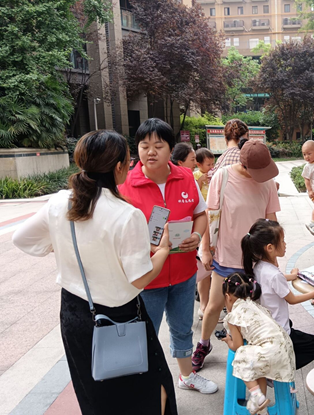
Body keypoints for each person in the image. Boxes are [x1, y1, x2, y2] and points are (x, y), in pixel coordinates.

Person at [12, 130, 178, 414]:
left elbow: (22, 239)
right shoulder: (126, 214)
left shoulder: (60, 202)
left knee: (95, 394)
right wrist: (163, 250)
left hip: (75, 313)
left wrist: (63, 247)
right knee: (151, 387)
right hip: (122, 316)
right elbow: (140, 278)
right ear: (118, 167)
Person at [119, 118, 218, 394]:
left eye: (158, 145)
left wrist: (197, 236)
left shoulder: (185, 177)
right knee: (144, 333)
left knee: (182, 328)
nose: (151, 152)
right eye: (144, 145)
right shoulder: (125, 184)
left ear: (170, 149)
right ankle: (145, 386)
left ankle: (186, 376)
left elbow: (200, 214)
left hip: (184, 274)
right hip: (147, 278)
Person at [192, 140, 281, 371]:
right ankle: (203, 344)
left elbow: (271, 221)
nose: (261, 175)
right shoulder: (222, 177)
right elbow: (210, 215)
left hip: (257, 260)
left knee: (256, 310)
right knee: (214, 306)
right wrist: (205, 249)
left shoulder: (267, 181)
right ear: (244, 164)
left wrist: (274, 259)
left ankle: (255, 353)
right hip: (227, 255)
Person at [242, 219, 314, 369]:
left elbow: (274, 280)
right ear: (270, 248)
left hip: (266, 325)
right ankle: (280, 366)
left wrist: (291, 276)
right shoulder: (275, 275)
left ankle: (278, 358)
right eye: (282, 241)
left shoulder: (258, 267)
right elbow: (292, 299)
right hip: (278, 331)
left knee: (291, 324)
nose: (285, 244)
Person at [220, 273, 295, 415]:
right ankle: (261, 408)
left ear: (228, 297)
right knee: (257, 366)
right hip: (285, 349)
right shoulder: (257, 306)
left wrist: (229, 341)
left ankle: (256, 396)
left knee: (241, 356)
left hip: (270, 351)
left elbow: (238, 346)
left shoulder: (233, 315)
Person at [193, 147, 217, 321]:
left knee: (213, 268)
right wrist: (201, 181)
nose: (211, 167)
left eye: (212, 164)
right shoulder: (194, 176)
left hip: (214, 220)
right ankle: (203, 305)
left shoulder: (215, 175)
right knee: (204, 268)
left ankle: (213, 303)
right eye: (208, 164)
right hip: (203, 222)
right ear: (199, 164)